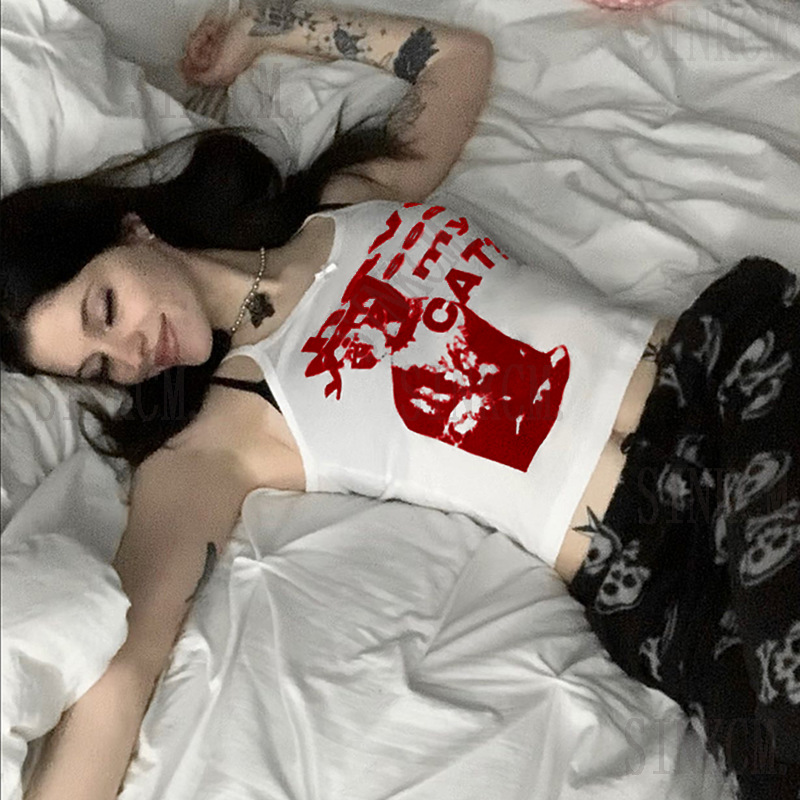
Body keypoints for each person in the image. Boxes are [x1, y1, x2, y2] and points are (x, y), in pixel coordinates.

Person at [0, 5, 796, 800]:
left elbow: (458, 60)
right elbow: (124, 676)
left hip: (727, 385)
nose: (132, 354)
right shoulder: (211, 445)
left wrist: (266, 27)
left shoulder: (346, 205)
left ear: (132, 232)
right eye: (100, 368)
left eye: (105, 310)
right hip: (648, 574)